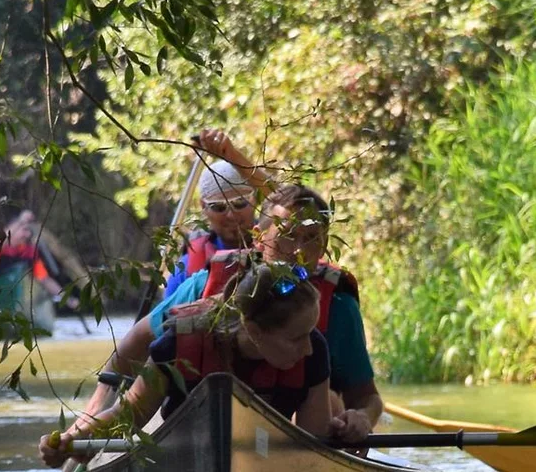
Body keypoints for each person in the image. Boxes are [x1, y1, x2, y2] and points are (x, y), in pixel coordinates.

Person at [80, 184, 381, 443]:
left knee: (331, 401)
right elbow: (134, 346)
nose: (300, 250)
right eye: (288, 235)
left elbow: (367, 398)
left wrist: (362, 418)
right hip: (198, 432)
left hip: (291, 434)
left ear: (325, 244)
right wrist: (90, 418)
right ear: (258, 238)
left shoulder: (338, 306)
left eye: (312, 237)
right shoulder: (205, 287)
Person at [39, 263, 345, 467]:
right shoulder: (178, 345)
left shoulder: (313, 350)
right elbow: (130, 413)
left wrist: (349, 428)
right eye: (296, 338)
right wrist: (74, 439)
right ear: (253, 330)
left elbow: (311, 452)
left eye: (310, 333)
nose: (307, 347)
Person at [161, 128, 272, 298]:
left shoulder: (278, 246)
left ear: (255, 198)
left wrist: (233, 155)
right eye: (219, 207)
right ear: (203, 207)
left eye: (240, 203)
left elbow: (292, 203)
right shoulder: (187, 268)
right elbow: (165, 322)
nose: (231, 215)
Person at [0, 210, 72, 306]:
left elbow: (44, 279)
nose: (27, 235)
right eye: (23, 230)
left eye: (28, 231)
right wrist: (20, 221)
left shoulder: (29, 251)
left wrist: (67, 299)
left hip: (16, 298)